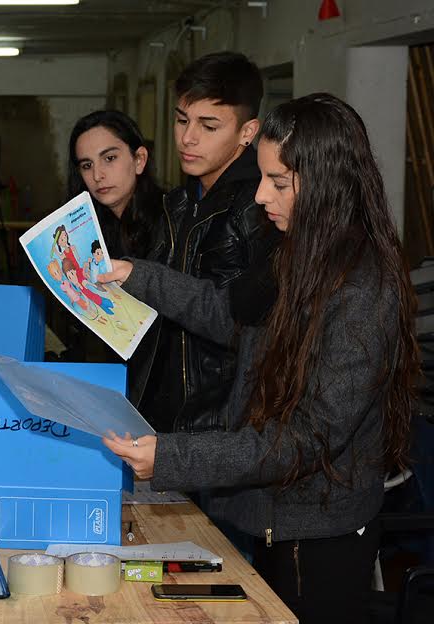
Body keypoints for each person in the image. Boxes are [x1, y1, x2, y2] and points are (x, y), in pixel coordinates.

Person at [100, 93, 419, 624]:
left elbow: (307, 438)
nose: (261, 196)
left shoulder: (364, 290)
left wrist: (175, 458)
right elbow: (231, 316)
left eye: (279, 182)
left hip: (318, 535)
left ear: (327, 184)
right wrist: (140, 276)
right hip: (275, 516)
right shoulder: (297, 248)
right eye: (263, 176)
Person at [138, 52, 282, 435]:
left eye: (209, 125)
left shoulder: (262, 207)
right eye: (182, 119)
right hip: (164, 415)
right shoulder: (180, 202)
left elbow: (254, 328)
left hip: (222, 428)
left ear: (248, 132)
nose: (188, 137)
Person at [67, 110, 170, 407]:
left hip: (161, 395)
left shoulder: (172, 224)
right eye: (87, 165)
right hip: (112, 386)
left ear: (139, 160)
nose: (98, 175)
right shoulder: (88, 232)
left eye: (109, 158)